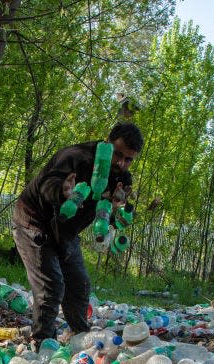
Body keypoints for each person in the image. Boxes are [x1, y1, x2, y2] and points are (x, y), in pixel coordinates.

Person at [12, 122, 143, 346]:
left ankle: (79, 336)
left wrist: (115, 208)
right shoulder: (76, 157)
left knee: (79, 284)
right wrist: (62, 191)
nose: (121, 163)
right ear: (107, 144)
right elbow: (48, 184)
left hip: (67, 231)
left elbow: (106, 215)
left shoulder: (121, 178)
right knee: (51, 286)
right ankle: (42, 345)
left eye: (128, 159)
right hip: (34, 221)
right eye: (117, 155)